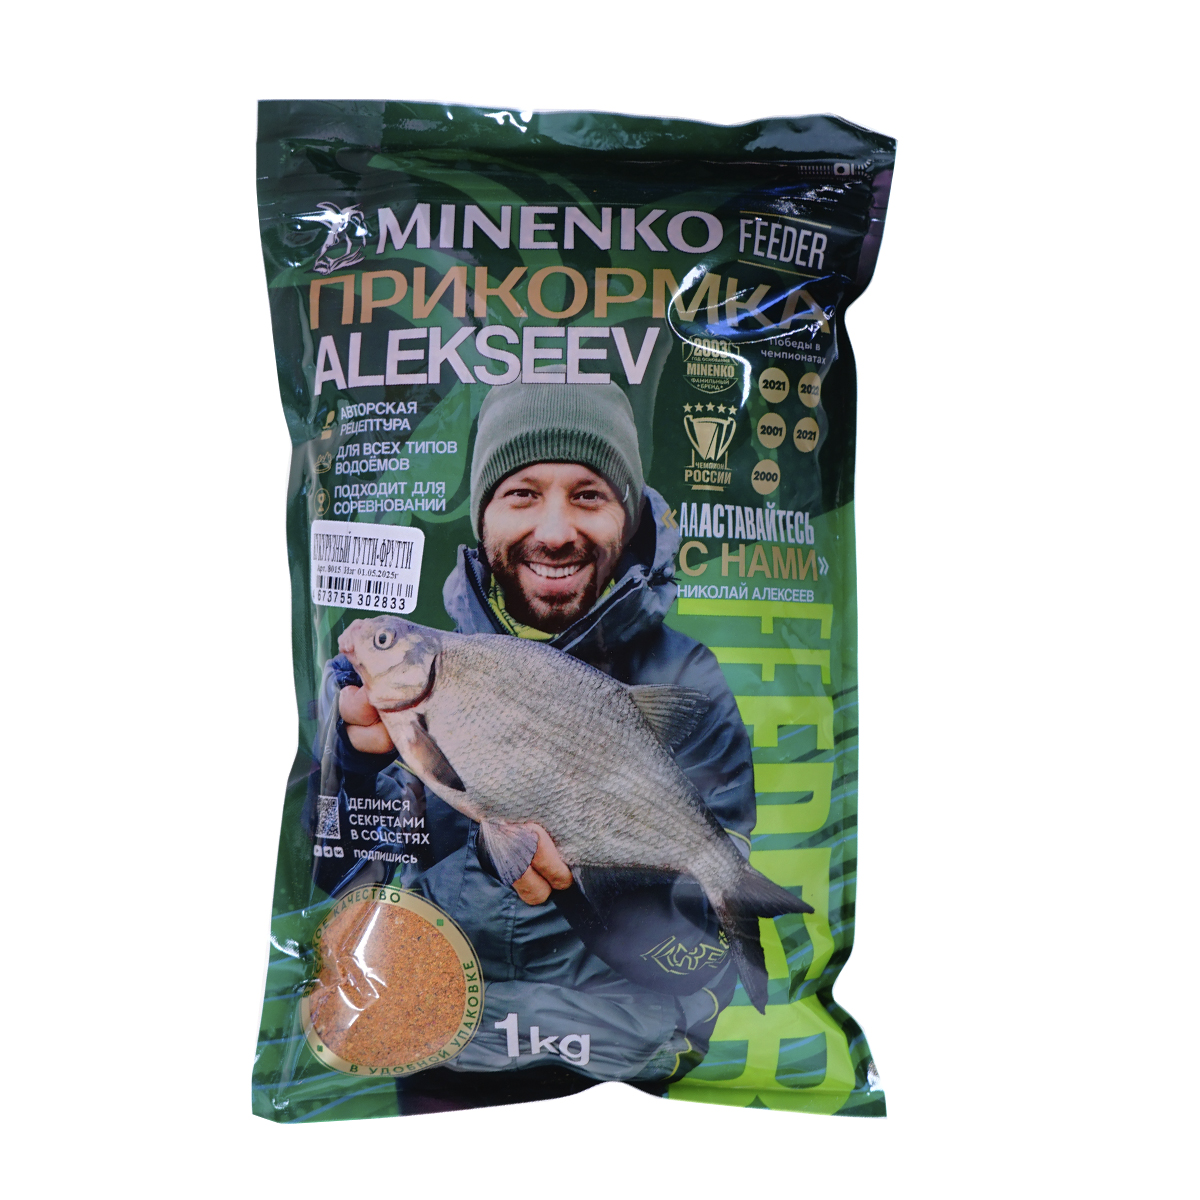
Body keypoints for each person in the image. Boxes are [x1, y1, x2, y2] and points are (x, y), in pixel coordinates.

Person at [306, 380, 757, 1102]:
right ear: (482, 514)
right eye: (521, 494)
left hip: (628, 1068)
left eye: (588, 495)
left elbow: (699, 962)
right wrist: (351, 769)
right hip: (435, 1051)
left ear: (628, 515)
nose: (554, 531)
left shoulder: (688, 680)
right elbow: (339, 886)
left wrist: (586, 890)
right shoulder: (393, 695)